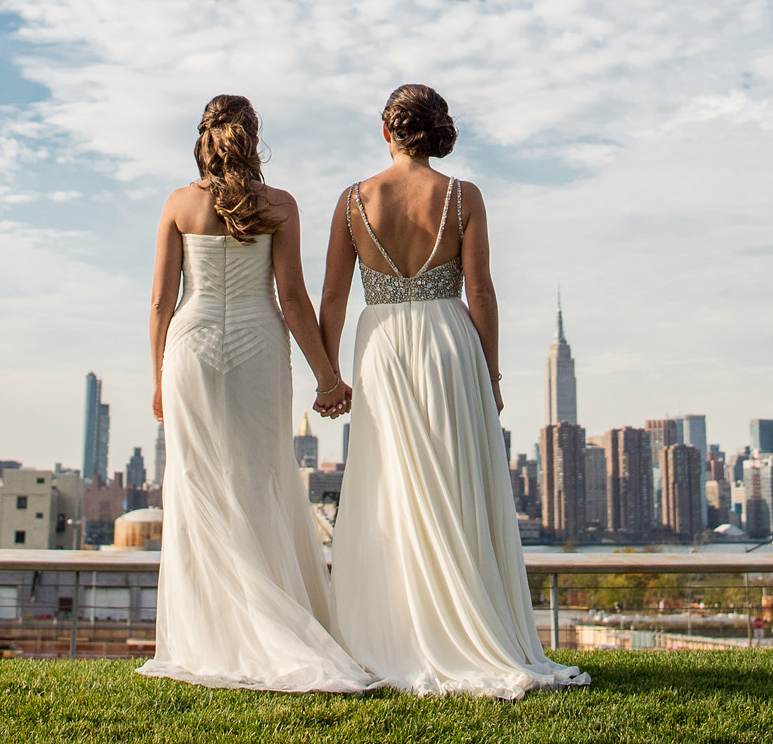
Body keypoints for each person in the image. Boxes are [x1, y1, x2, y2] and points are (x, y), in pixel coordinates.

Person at [319, 84, 588, 698]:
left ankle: (395, 635)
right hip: (448, 340)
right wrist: (491, 374)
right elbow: (482, 293)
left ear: (386, 131)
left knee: (390, 484)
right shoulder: (463, 195)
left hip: (381, 343)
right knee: (455, 479)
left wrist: (329, 375)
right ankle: (471, 627)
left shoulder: (353, 200)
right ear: (435, 132)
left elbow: (332, 297)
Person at [138, 95, 378, 692]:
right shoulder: (281, 205)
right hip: (256, 344)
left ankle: (210, 636)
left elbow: (161, 302)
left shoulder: (177, 203)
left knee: (196, 486)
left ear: (204, 138)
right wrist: (327, 378)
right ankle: (272, 623)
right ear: (252, 137)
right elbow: (293, 298)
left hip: (188, 350)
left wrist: (156, 377)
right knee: (259, 480)